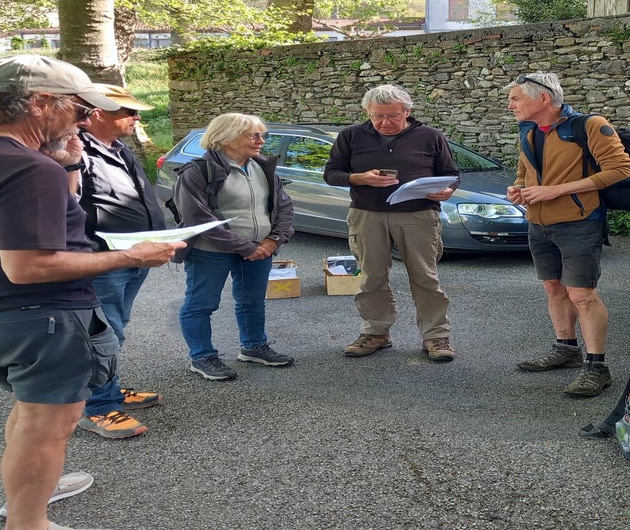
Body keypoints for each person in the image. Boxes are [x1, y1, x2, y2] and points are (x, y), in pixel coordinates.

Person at [0, 54, 183, 530]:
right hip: (44, 316)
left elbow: (42, 218)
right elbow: (29, 265)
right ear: (40, 103)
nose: (84, 120)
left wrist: (67, 166)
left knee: (29, 415)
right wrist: (132, 255)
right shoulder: (25, 166)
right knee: (47, 428)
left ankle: (30, 491)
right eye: (79, 109)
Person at [504, 73, 630, 398]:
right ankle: (566, 349)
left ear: (543, 98)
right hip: (538, 223)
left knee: (582, 295)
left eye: (516, 98)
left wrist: (556, 190)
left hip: (579, 222)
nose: (510, 105)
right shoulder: (529, 130)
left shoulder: (589, 126)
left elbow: (620, 169)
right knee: (553, 288)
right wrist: (517, 189)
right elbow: (524, 171)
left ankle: (597, 367)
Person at [323, 84, 459, 362]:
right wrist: (359, 178)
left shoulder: (430, 136)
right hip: (367, 213)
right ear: (367, 112)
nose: (385, 122)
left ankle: (436, 336)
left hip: (418, 214)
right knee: (371, 276)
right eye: (378, 116)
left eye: (393, 116)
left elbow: (451, 174)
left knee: (425, 276)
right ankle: (375, 332)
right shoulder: (351, 135)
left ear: (407, 112)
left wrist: (447, 191)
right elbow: (331, 173)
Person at [69, 83, 166, 439]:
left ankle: (108, 389)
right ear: (97, 113)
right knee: (102, 333)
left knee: (114, 328)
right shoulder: (76, 150)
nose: (137, 118)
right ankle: (97, 406)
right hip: (103, 259)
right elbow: (68, 204)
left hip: (135, 255)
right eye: (128, 112)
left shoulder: (119, 148)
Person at [173, 113, 296, 381]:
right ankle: (202, 356)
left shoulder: (262, 167)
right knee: (201, 304)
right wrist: (245, 247)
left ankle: (254, 346)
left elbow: (284, 206)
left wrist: (274, 240)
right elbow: (198, 219)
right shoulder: (197, 171)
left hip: (260, 249)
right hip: (210, 252)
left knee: (253, 301)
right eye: (253, 135)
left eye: (261, 135)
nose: (261, 141)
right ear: (227, 138)